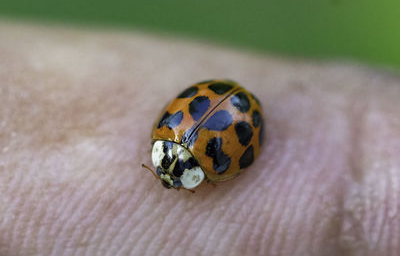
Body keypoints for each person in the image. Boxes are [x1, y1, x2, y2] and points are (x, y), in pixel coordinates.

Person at [1, 22, 399, 256]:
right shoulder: (177, 141)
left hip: (233, 102)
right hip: (224, 101)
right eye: (167, 172)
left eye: (168, 172)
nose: (167, 179)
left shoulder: (190, 151)